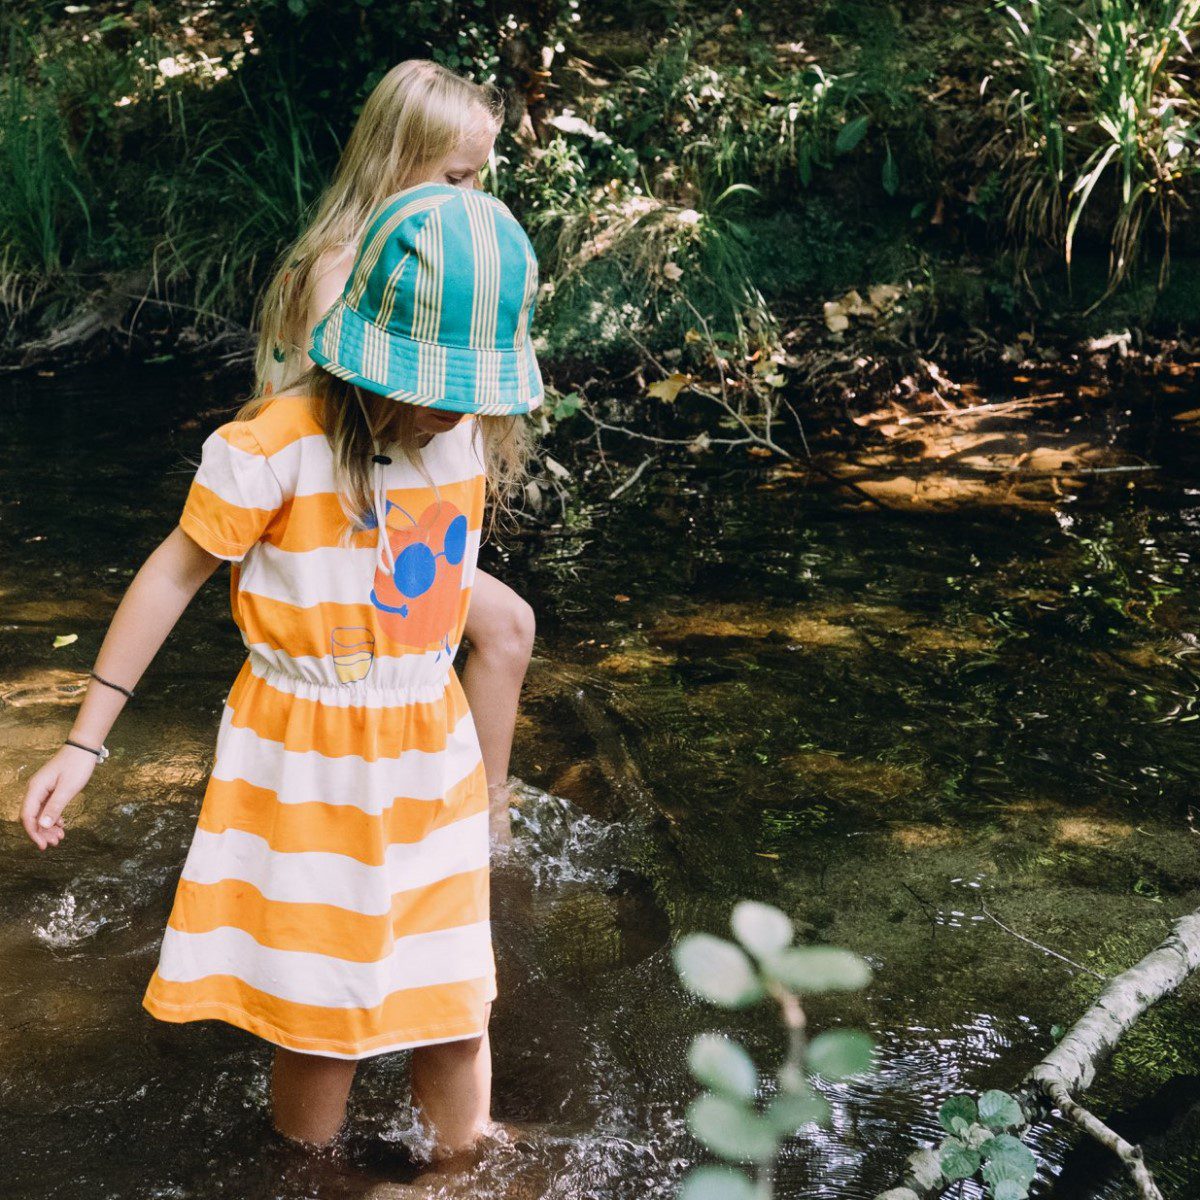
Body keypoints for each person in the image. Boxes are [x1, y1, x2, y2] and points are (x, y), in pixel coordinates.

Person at [20, 181, 543, 1155]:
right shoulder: (271, 448)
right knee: (323, 1017)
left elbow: (439, 589)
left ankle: (468, 1165)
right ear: (374, 358)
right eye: (438, 385)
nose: (454, 408)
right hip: (309, 758)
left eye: (473, 387)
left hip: (429, 750)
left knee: (457, 996)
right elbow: (171, 577)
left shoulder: (459, 431)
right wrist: (85, 742)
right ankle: (306, 1176)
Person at [257, 57, 534, 839]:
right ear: (396, 161)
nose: (469, 197)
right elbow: (333, 425)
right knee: (382, 674)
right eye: (455, 177)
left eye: (477, 178)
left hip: (410, 525)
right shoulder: (341, 269)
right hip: (347, 532)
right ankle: (445, 818)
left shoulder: (443, 261)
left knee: (507, 629)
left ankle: (488, 808)